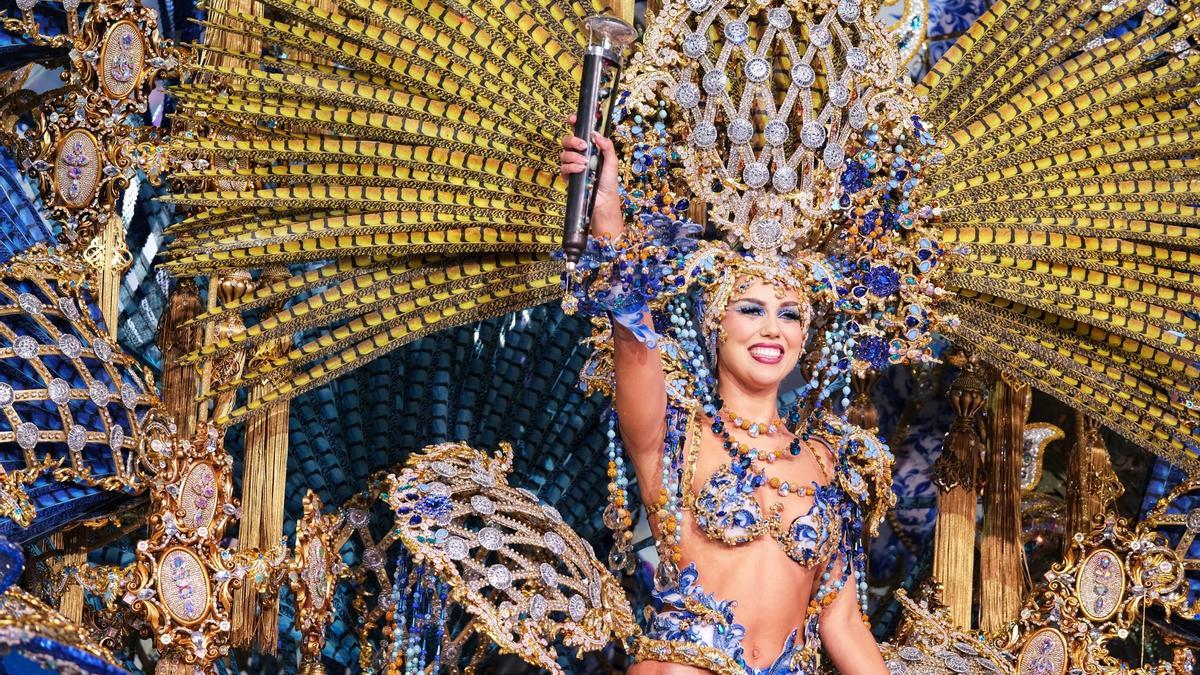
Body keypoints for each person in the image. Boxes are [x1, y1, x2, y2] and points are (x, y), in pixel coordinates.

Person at [560, 117, 892, 674]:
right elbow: (631, 330)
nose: (772, 330)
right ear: (716, 325)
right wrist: (608, 219)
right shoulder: (673, 435)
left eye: (789, 315)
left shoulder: (826, 462)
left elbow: (841, 620)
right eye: (751, 309)